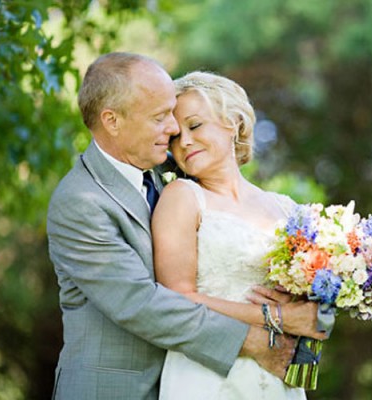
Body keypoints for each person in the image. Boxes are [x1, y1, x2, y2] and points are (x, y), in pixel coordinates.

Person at [46, 52, 305, 399]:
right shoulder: (81, 201)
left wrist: (305, 305)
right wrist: (260, 334)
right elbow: (140, 303)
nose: (174, 131)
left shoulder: (167, 167)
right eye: (160, 118)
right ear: (112, 121)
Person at [151, 70, 327, 399]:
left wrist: (310, 312)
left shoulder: (286, 209)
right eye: (174, 137)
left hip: (279, 379)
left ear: (232, 122)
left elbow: (317, 315)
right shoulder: (182, 197)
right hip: (207, 375)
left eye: (195, 125)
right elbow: (175, 301)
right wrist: (277, 316)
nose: (184, 142)